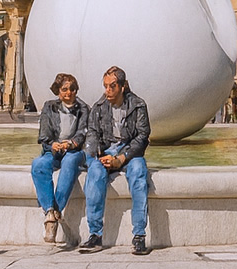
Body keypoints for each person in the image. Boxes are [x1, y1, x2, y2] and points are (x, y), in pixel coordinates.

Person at [80, 66, 152, 255]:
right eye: (105, 86)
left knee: (138, 174)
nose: (108, 91)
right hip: (106, 151)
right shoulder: (99, 107)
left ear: (122, 86)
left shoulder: (138, 105)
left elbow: (143, 137)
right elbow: (92, 134)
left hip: (129, 151)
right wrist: (99, 154)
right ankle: (95, 235)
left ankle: (139, 236)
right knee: (94, 174)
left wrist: (121, 158)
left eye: (112, 86)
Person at [32, 73, 89, 244]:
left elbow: (83, 133)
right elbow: (43, 136)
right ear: (58, 91)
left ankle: (56, 210)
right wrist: (53, 145)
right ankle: (50, 211)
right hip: (54, 150)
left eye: (72, 89)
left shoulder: (84, 108)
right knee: (39, 164)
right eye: (64, 89)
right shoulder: (49, 108)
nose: (69, 92)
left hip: (73, 151)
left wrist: (71, 144)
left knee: (70, 162)